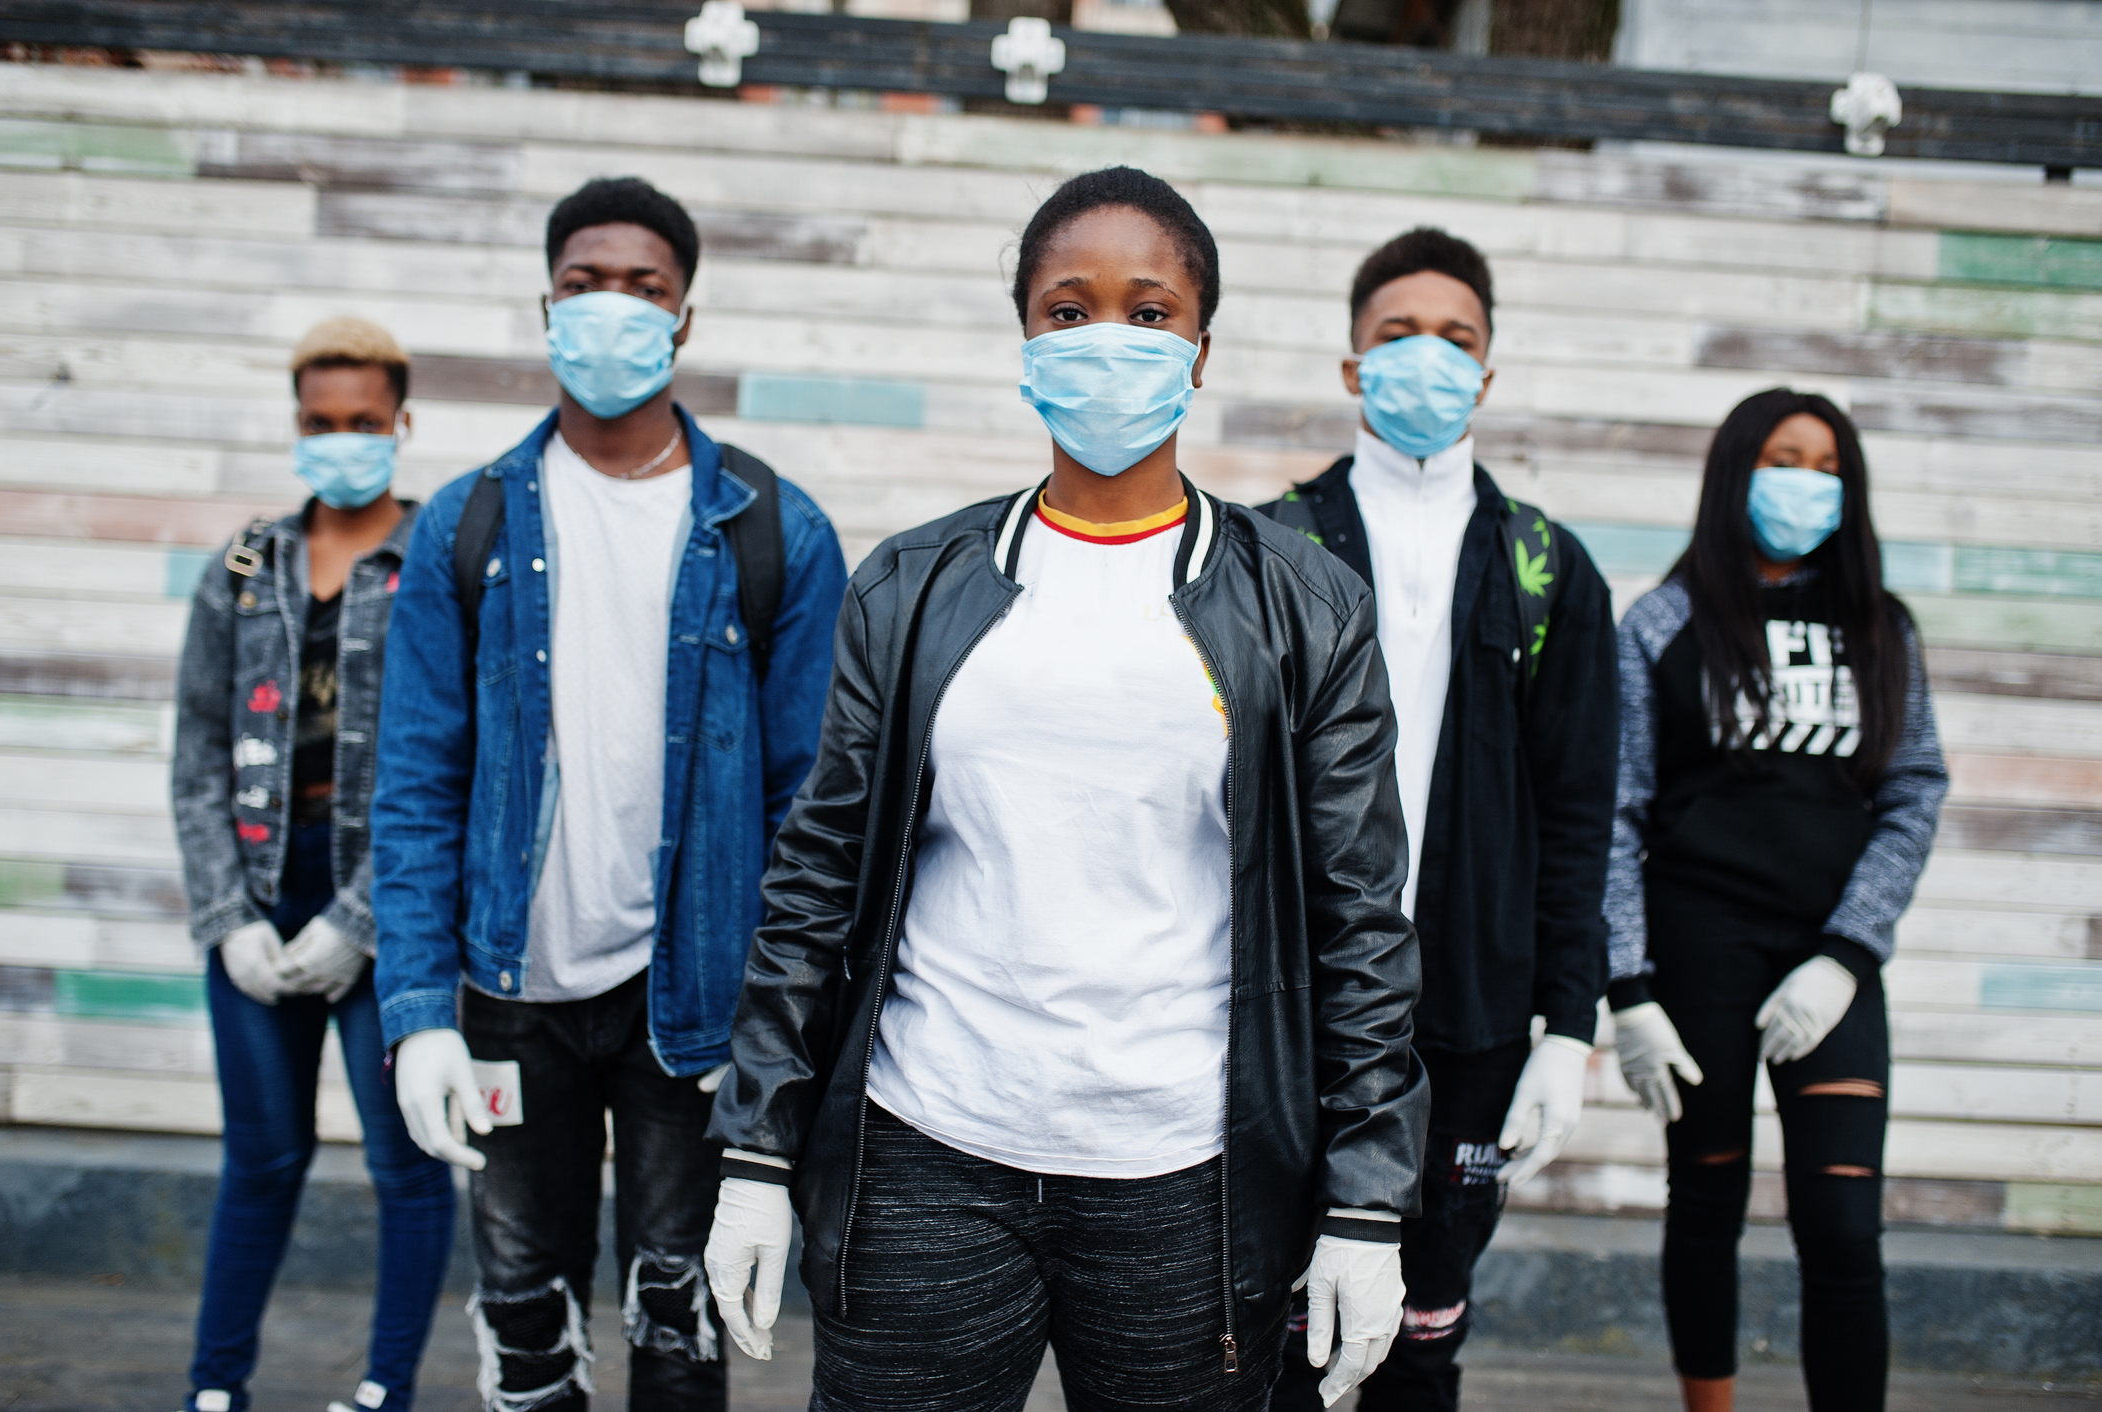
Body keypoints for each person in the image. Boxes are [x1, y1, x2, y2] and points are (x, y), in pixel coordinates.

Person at [699, 165, 1427, 1412]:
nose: (1107, 341)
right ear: (1025, 339)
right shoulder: (914, 586)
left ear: (1200, 350)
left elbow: (1359, 912)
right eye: (1066, 307)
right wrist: (754, 1148)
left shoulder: (1304, 606)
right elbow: (816, 873)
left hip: (1184, 1181)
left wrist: (1367, 1197)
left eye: (1148, 313)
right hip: (929, 1153)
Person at [370, 176, 847, 1412]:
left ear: (684, 317)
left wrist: (782, 1026)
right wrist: (419, 1007)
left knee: (679, 1316)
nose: (612, 310)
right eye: (585, 284)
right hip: (508, 991)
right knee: (525, 1319)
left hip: (691, 1003)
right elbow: (417, 779)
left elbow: (811, 806)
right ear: (545, 305)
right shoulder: (465, 527)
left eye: (643, 287)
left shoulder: (774, 530)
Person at [1260, 228, 1618, 1412]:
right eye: (1396, 334)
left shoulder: (1546, 570)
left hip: (1469, 1012)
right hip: (1298, 1002)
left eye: (1453, 339)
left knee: (1422, 1334)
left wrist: (1568, 1024)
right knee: (1280, 1330)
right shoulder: (1268, 548)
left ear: (1488, 372)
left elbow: (1579, 815)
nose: (1426, 357)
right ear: (1352, 365)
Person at [1604, 389, 1946, 1412]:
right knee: (1705, 1200)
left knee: (1842, 1222)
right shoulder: (1662, 623)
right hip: (1696, 948)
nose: (1805, 482)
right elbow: (1614, 808)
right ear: (1733, 472)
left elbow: (1913, 788)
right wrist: (1625, 985)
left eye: (1827, 466)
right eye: (1782, 459)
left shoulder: (1879, 627)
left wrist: (1848, 950)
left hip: (1828, 964)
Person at [171, 317, 454, 1412]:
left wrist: (363, 919)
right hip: (254, 902)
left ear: (401, 423)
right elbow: (198, 748)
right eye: (321, 423)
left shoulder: (437, 561)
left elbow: (458, 757)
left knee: (403, 1163)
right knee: (262, 1157)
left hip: (391, 920)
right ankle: (214, 1385)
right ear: (297, 425)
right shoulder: (244, 567)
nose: (343, 440)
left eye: (364, 423)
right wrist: (224, 916)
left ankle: (385, 1385)